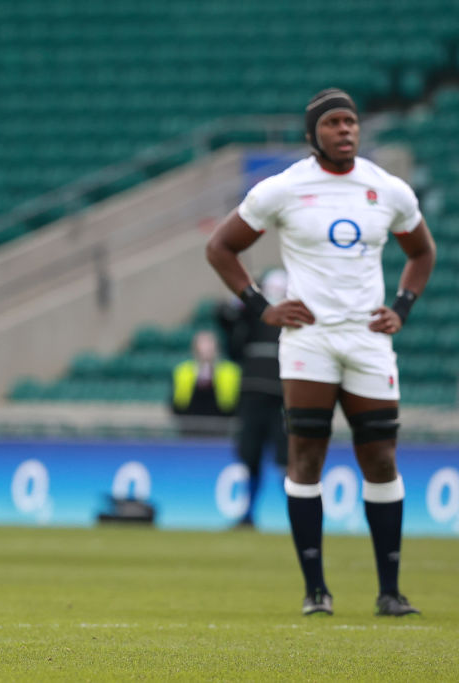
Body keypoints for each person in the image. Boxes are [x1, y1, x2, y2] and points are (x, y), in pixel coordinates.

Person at [206, 89, 435, 617]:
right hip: (309, 340)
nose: (345, 130)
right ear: (313, 134)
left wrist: (401, 306)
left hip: (368, 340)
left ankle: (390, 591)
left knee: (380, 457)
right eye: (333, 123)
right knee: (306, 458)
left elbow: (421, 251)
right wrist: (260, 305)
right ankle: (315, 591)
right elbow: (221, 246)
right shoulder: (283, 189)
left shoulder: (387, 188)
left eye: (350, 121)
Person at [216, 268, 289, 528]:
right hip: (253, 397)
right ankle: (247, 513)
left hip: (282, 398)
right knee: (250, 458)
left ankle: (297, 514)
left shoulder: (293, 316)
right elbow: (231, 332)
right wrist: (239, 301)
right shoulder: (252, 314)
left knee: (285, 461)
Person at [170, 329, 241, 437]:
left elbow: (236, 403)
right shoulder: (182, 371)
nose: (206, 348)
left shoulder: (231, 371)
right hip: (189, 428)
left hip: (221, 428)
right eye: (202, 344)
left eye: (209, 343)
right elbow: (175, 402)